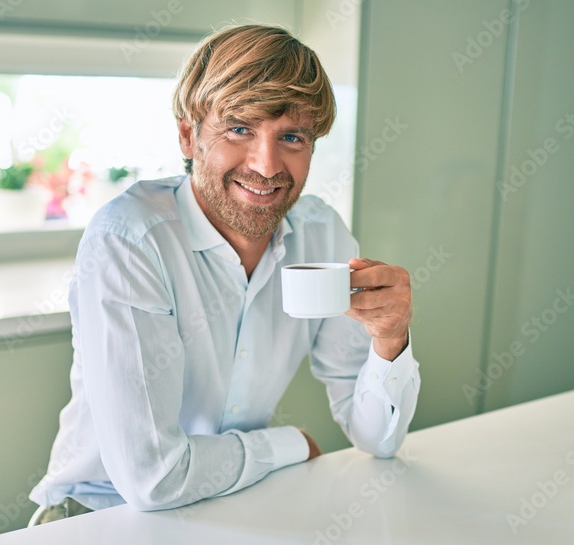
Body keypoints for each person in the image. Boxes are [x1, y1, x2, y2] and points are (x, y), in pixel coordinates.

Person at [28, 24, 420, 524]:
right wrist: (289, 444)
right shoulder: (129, 241)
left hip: (233, 510)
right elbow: (155, 478)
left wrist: (391, 341)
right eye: (240, 129)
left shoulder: (321, 234)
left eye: (292, 137)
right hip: (98, 518)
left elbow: (378, 439)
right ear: (189, 134)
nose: (266, 164)